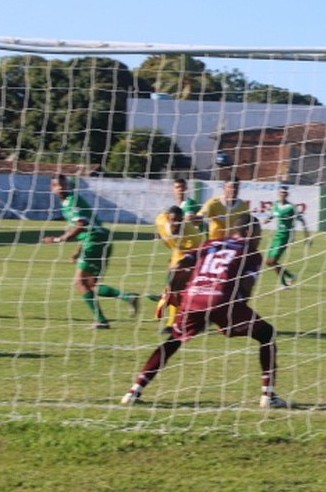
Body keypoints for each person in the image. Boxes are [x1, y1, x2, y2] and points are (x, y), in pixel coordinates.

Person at [120, 214, 288, 409]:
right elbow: (247, 283)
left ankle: (134, 391)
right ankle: (268, 396)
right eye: (258, 235)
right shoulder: (251, 252)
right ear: (249, 232)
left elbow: (179, 266)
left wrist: (172, 292)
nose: (259, 239)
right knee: (267, 334)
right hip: (221, 298)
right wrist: (233, 315)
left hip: (193, 297)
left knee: (173, 340)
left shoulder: (210, 243)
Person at [42, 174, 139, 329]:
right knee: (91, 285)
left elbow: (81, 224)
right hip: (98, 239)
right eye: (56, 185)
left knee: (80, 283)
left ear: (68, 185)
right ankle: (128, 297)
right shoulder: (68, 202)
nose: (60, 188)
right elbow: (85, 225)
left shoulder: (72, 200)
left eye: (63, 184)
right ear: (52, 188)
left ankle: (102, 320)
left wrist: (57, 240)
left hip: (95, 240)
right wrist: (78, 250)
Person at [153, 205, 204, 334]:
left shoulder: (191, 233)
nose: (176, 223)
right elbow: (162, 217)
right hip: (176, 253)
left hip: (190, 256)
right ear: (168, 218)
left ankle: (172, 321)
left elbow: (200, 250)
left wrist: (183, 265)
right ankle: (167, 302)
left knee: (179, 290)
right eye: (173, 220)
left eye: (179, 220)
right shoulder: (161, 220)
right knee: (175, 290)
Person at [265, 185, 310, 288]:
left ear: (287, 194)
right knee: (268, 262)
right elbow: (273, 214)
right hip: (277, 236)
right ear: (278, 193)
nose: (283, 195)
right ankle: (290, 276)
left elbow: (302, 220)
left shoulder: (291, 208)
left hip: (285, 236)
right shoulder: (276, 205)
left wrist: (307, 237)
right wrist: (268, 219)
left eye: (285, 193)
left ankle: (284, 283)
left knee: (273, 261)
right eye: (281, 192)